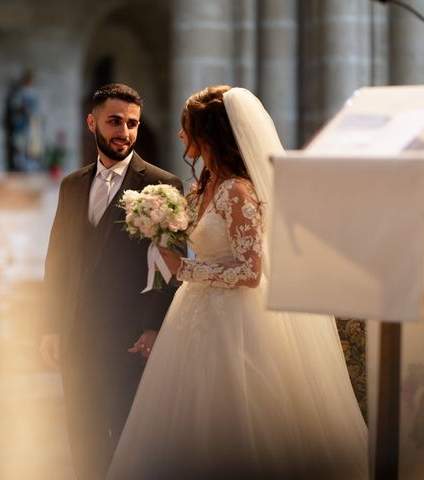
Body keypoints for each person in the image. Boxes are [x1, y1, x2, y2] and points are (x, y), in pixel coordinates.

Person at [107, 86, 369, 480]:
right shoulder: (206, 187)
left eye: (186, 127)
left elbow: (250, 272)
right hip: (195, 311)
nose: (180, 136)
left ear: (207, 133)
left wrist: (185, 270)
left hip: (238, 319)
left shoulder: (238, 191)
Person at [40, 83, 185, 480]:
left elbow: (170, 269)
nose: (124, 131)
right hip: (75, 334)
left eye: (132, 123)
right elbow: (57, 260)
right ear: (93, 123)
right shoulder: (71, 185)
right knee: (82, 434)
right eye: (115, 121)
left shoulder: (163, 186)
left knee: (125, 432)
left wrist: (154, 327)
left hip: (129, 335)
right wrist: (51, 327)